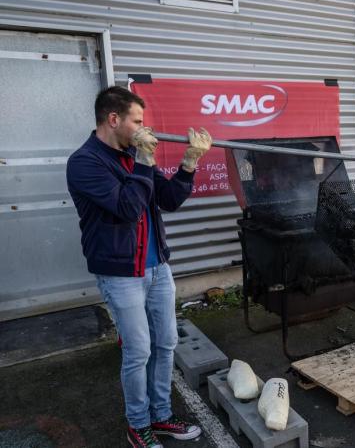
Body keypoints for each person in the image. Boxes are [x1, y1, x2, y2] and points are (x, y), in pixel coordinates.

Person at [66, 86, 212, 447]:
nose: (145, 128)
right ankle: (138, 424)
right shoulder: (85, 163)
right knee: (139, 350)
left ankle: (161, 416)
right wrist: (146, 160)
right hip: (120, 274)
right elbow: (129, 207)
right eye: (138, 121)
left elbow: (169, 199)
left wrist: (190, 163)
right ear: (113, 119)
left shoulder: (134, 154)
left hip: (157, 267)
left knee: (165, 344)